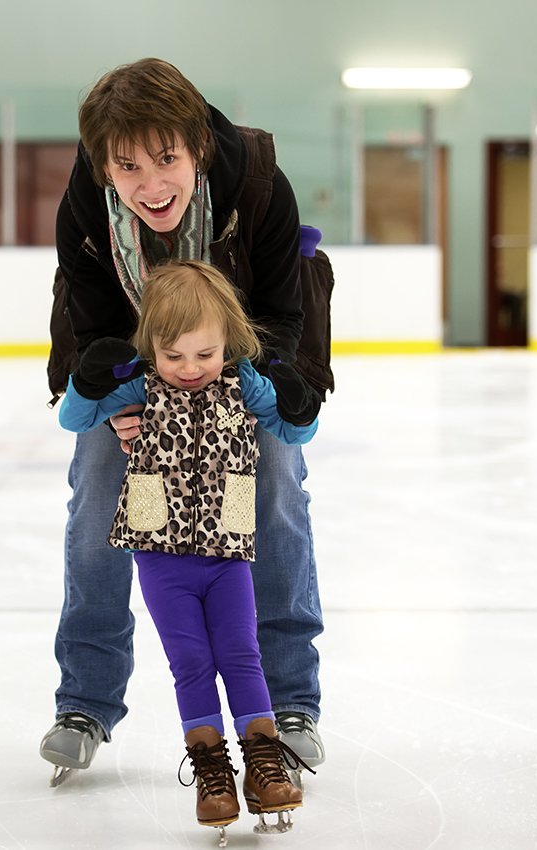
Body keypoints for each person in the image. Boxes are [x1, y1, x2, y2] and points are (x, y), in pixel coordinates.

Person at [41, 58, 332, 784]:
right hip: (137, 376)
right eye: (129, 167)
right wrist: (121, 404)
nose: (151, 184)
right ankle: (86, 701)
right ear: (106, 167)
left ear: (197, 146)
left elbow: (282, 313)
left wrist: (251, 398)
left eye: (166, 159)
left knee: (276, 491)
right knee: (99, 496)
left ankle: (290, 701)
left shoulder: (260, 182)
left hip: (244, 367)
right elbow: (93, 321)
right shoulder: (84, 208)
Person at [57, 261, 316, 842]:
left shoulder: (244, 380)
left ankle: (265, 763)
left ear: (228, 339)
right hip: (160, 551)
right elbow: (75, 417)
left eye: (205, 354)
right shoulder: (137, 382)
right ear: (151, 345)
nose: (190, 369)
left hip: (227, 547)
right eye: (174, 356)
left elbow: (292, 432)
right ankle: (212, 773)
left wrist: (300, 406)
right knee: (192, 662)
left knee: (240, 653)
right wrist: (88, 380)